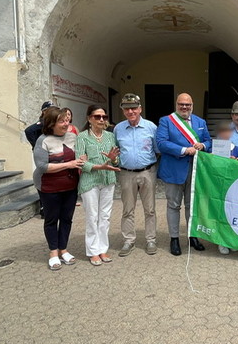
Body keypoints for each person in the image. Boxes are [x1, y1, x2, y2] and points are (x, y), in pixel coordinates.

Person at [157, 93, 212, 256]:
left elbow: (209, 142)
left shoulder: (200, 122)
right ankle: (174, 238)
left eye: (187, 105)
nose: (184, 107)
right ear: (176, 104)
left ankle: (192, 236)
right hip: (174, 169)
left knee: (192, 205)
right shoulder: (166, 121)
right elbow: (161, 143)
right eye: (181, 104)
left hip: (195, 170)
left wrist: (202, 145)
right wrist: (183, 150)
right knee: (173, 205)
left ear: (192, 105)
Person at [33, 107, 84, 270]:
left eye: (67, 120)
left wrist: (83, 158)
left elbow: (80, 155)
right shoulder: (43, 140)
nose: (66, 123)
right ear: (51, 123)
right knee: (51, 219)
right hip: (49, 187)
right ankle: (53, 252)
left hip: (70, 185)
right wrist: (69, 164)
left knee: (67, 218)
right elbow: (42, 166)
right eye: (61, 121)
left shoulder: (73, 136)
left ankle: (64, 249)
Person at [114, 93, 159, 257]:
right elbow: (116, 150)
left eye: (133, 108)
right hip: (127, 174)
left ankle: (151, 239)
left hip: (148, 171)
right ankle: (128, 240)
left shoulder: (151, 127)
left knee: (150, 209)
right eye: (127, 109)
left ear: (140, 109)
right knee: (127, 209)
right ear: (123, 111)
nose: (130, 111)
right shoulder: (118, 129)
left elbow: (157, 149)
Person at [75, 105, 121, 266]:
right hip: (90, 182)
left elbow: (116, 160)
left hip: (108, 180)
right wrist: (99, 166)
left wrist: (113, 159)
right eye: (97, 116)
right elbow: (80, 163)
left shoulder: (110, 136)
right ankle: (93, 251)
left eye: (104, 117)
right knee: (92, 216)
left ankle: (103, 248)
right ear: (89, 119)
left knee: (105, 217)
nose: (101, 119)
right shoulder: (82, 137)